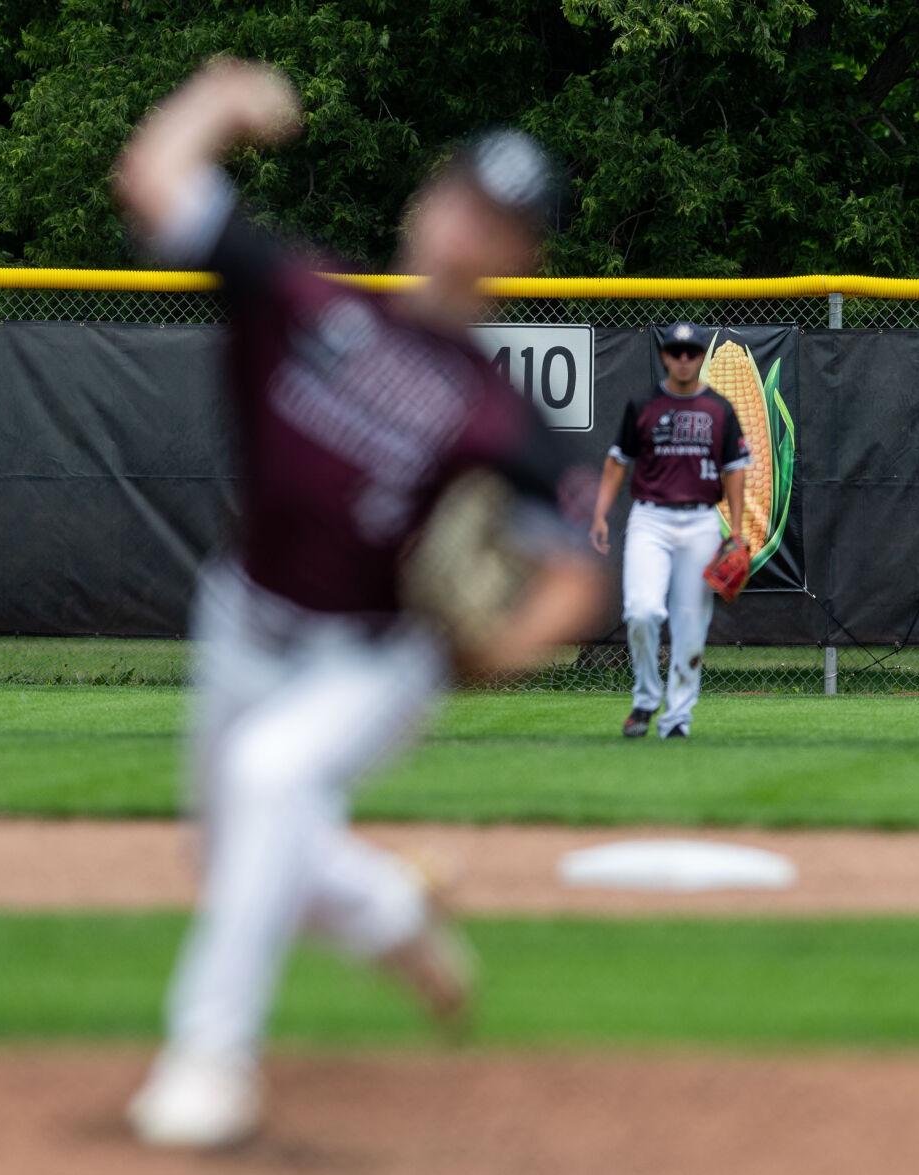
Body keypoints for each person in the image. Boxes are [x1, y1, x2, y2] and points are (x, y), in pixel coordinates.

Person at [112, 58, 604, 1149]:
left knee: (266, 777)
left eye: (502, 221)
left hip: (375, 656)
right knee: (237, 843)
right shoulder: (300, 298)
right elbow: (153, 177)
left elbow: (580, 563)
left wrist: (508, 643)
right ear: (426, 198)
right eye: (465, 197)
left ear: (521, 256)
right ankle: (392, 907)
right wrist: (219, 100)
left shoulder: (492, 414)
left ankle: (210, 1058)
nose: (471, 227)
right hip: (242, 614)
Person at [588, 324, 750, 738]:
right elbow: (616, 462)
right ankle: (645, 698)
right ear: (665, 356)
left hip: (699, 521)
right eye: (676, 351)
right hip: (651, 519)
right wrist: (600, 514)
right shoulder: (643, 405)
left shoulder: (720, 409)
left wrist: (734, 529)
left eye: (691, 352)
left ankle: (677, 717)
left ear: (700, 358)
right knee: (641, 611)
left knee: (690, 622)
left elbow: (735, 471)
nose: (683, 359)